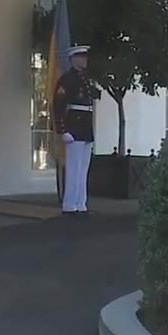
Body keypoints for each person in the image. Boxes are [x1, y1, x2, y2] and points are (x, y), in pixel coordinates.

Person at [54, 45, 96, 216]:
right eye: (81, 57)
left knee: (83, 169)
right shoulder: (67, 80)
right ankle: (69, 204)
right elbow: (58, 106)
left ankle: (81, 203)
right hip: (74, 127)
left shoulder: (85, 79)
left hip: (85, 128)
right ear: (73, 59)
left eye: (85, 57)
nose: (84, 60)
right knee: (74, 168)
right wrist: (62, 129)